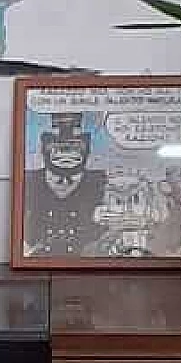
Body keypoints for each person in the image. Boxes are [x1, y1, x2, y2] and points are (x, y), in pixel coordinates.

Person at [21, 111, 109, 260]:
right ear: (45, 149)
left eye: (74, 147)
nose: (65, 154)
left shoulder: (102, 182)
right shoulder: (28, 180)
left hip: (90, 264)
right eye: (58, 147)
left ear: (87, 150)